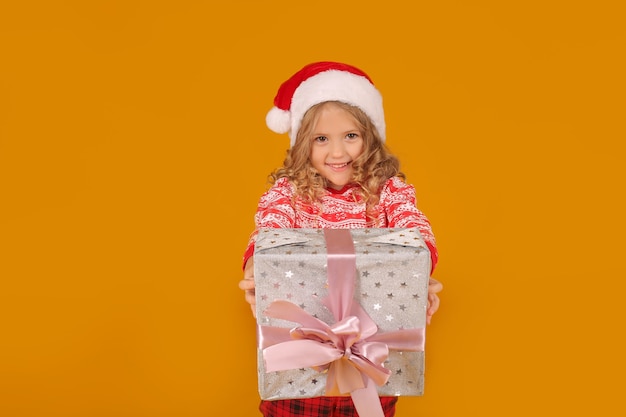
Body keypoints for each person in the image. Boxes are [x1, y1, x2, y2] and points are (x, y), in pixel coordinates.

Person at [238, 61, 443, 417]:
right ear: (303, 143)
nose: (337, 153)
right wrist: (258, 266)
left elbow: (413, 225)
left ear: (370, 137)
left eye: (351, 136)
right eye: (321, 139)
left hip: (372, 344)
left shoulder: (388, 189)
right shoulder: (288, 192)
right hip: (303, 353)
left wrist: (419, 270)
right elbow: (270, 227)